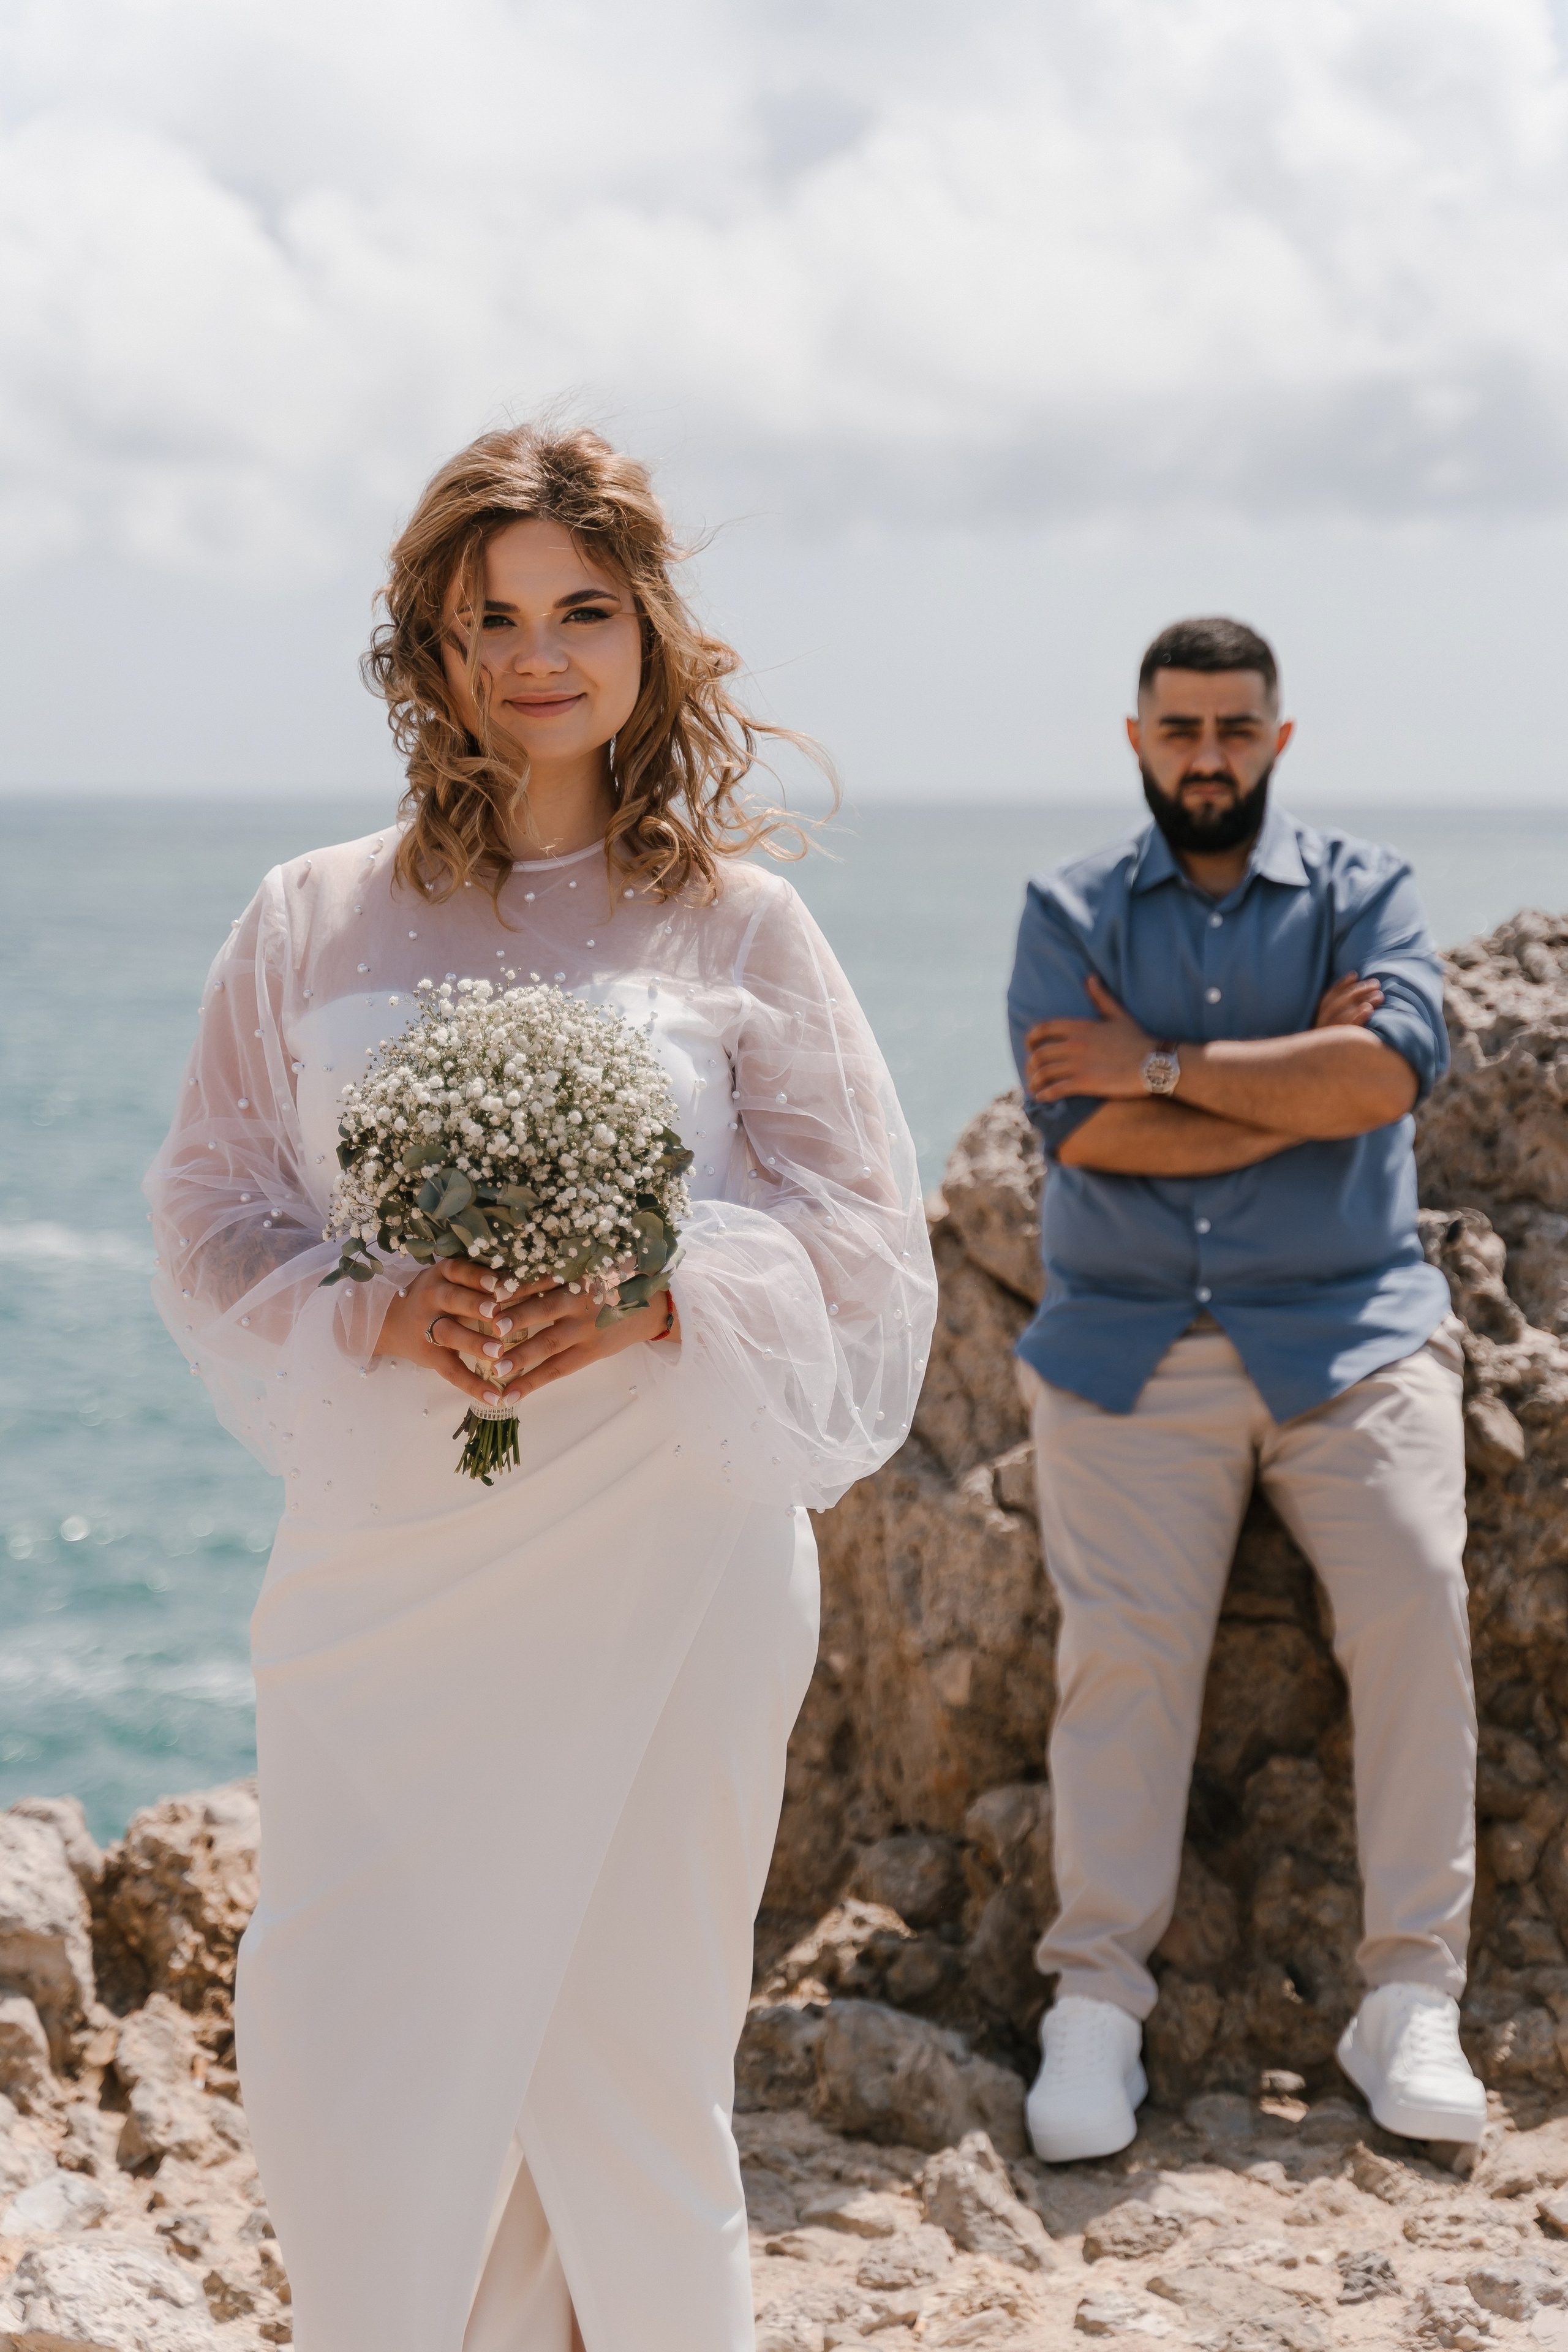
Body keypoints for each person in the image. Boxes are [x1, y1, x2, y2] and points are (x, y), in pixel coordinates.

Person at [146, 423, 937, 2352]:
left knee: (632, 2070)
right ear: (429, 642)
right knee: (349, 2055)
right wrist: (379, 1313)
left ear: (650, 635)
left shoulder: (742, 924)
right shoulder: (308, 917)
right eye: (490, 614)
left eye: (582, 610)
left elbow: (864, 1244)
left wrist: (659, 1294)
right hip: (390, 1566)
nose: (538, 654)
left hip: (671, 1553)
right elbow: (210, 1212)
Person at [1006, 615, 1484, 2164]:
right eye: (1176, 729)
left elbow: (1380, 1081)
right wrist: (1286, 1092)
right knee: (1122, 1657)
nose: (1204, 756)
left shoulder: (1367, 893)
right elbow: (1081, 1139)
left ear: (1276, 742)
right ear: (1134, 740)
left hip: (1346, 1333)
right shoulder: (1063, 907)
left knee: (1415, 1597)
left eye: (1232, 729)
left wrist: (1155, 1065)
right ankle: (1095, 2002)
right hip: (1128, 1339)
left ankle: (1407, 1996)